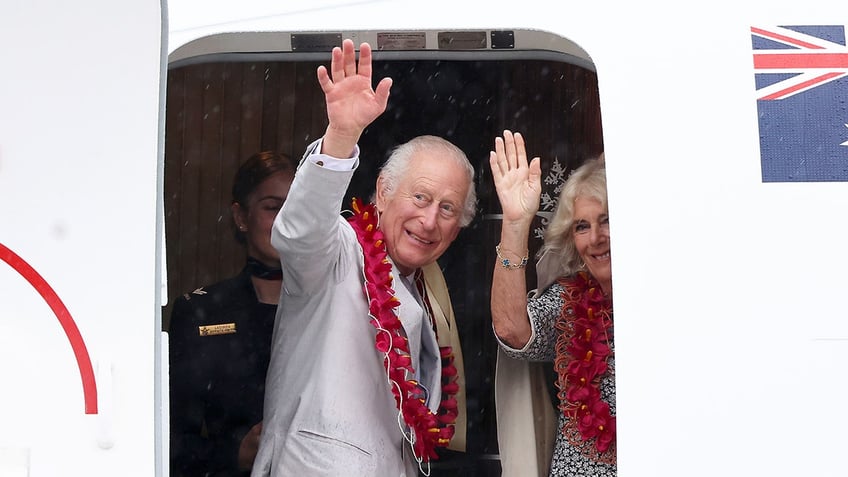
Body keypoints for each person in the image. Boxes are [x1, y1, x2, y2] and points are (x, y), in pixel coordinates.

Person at [251, 39, 474, 477]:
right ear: (384, 192)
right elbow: (298, 233)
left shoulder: (425, 287)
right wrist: (341, 136)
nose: (429, 220)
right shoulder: (338, 251)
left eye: (447, 208)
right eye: (420, 196)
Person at [489, 131, 615, 476]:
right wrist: (515, 224)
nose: (596, 238)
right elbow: (514, 332)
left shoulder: (678, 297)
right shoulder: (570, 301)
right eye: (582, 226)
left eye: (607, 220)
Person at [169, 151, 296, 477]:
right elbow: (169, 439)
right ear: (241, 216)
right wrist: (236, 454)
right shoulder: (200, 312)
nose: (286, 219)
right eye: (272, 207)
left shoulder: (335, 307)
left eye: (297, 207)